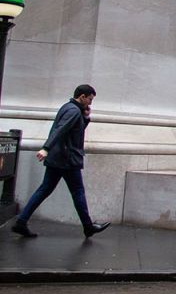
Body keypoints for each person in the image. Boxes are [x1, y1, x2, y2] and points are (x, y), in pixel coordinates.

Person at [11, 84, 109, 239]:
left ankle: (21, 221)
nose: (90, 103)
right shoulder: (73, 111)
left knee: (44, 189)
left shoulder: (69, 108)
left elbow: (73, 130)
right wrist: (45, 148)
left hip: (58, 158)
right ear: (82, 96)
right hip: (67, 159)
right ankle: (88, 226)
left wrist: (85, 117)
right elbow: (61, 130)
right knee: (77, 191)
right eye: (89, 99)